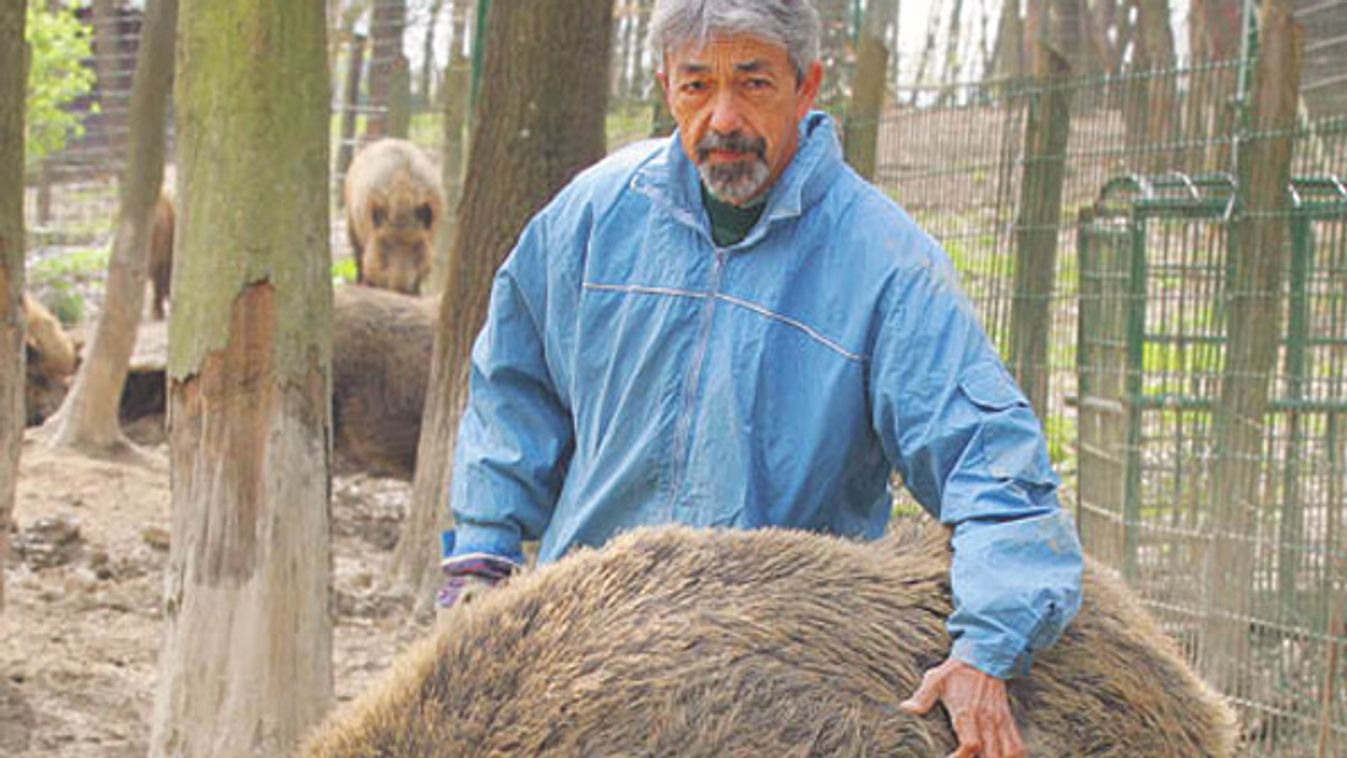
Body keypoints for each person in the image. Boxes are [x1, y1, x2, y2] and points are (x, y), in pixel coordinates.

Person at [439, 1, 1083, 755]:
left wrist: (988, 643)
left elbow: (993, 467)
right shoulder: (588, 220)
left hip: (773, 689)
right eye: (696, 86)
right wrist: (481, 557)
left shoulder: (882, 265)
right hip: (584, 668)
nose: (722, 119)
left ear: (806, 88)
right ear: (664, 85)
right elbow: (512, 391)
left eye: (752, 85)